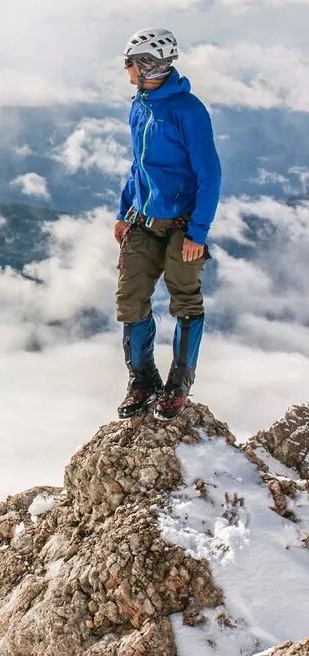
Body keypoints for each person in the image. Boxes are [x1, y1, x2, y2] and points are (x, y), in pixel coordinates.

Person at [113, 27, 221, 421]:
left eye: (129, 62)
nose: (125, 68)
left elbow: (210, 174)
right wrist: (124, 211)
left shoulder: (188, 111)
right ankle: (143, 380)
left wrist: (199, 232)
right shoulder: (139, 104)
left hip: (182, 224)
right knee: (130, 300)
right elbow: (138, 165)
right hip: (143, 220)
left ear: (146, 66)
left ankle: (179, 384)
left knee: (185, 302)